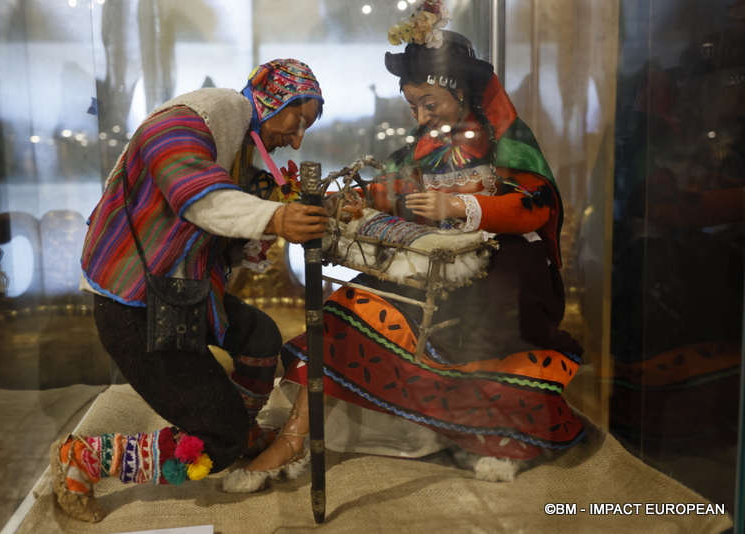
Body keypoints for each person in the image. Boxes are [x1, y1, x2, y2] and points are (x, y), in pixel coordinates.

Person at [223, 5, 584, 494]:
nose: (420, 117)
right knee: (346, 309)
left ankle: (497, 436)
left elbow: (534, 207)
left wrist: (458, 205)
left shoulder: (504, 140)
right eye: (413, 105)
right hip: (428, 261)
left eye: (429, 104)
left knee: (490, 333)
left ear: (461, 91)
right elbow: (391, 190)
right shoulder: (420, 148)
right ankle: (293, 438)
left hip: (504, 268)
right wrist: (357, 200)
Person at [50, 58, 329, 522]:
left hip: (184, 294)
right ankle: (85, 459)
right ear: (270, 100)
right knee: (219, 438)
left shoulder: (236, 143)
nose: (297, 139)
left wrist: (283, 213)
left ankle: (241, 426)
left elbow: (230, 211)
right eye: (297, 121)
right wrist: (276, 217)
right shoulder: (182, 124)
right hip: (135, 305)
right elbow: (195, 195)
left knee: (260, 336)